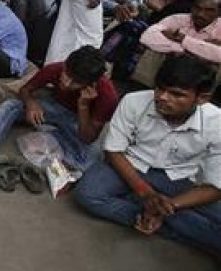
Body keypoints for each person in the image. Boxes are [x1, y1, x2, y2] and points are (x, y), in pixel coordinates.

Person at [74, 55, 221, 257]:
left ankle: (153, 215)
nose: (163, 97)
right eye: (160, 88)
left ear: (201, 98)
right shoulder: (133, 102)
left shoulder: (217, 124)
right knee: (87, 194)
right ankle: (156, 220)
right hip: (130, 165)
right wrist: (146, 194)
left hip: (180, 177)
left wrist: (171, 205)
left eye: (177, 94)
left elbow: (216, 186)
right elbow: (113, 151)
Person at [0, 45, 118, 172]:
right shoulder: (56, 68)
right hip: (53, 109)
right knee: (10, 106)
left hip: (79, 123)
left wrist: (83, 105)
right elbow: (25, 90)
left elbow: (88, 137)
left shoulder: (107, 95)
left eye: (75, 82)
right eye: (66, 75)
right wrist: (31, 104)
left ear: (91, 83)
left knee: (90, 160)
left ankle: (49, 135)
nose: (66, 83)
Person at [139, 0, 221, 68]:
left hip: (205, 77)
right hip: (168, 69)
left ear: (219, 12)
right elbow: (146, 37)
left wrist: (182, 39)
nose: (200, 14)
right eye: (197, 8)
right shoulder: (177, 19)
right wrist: (181, 49)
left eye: (209, 10)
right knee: (154, 53)